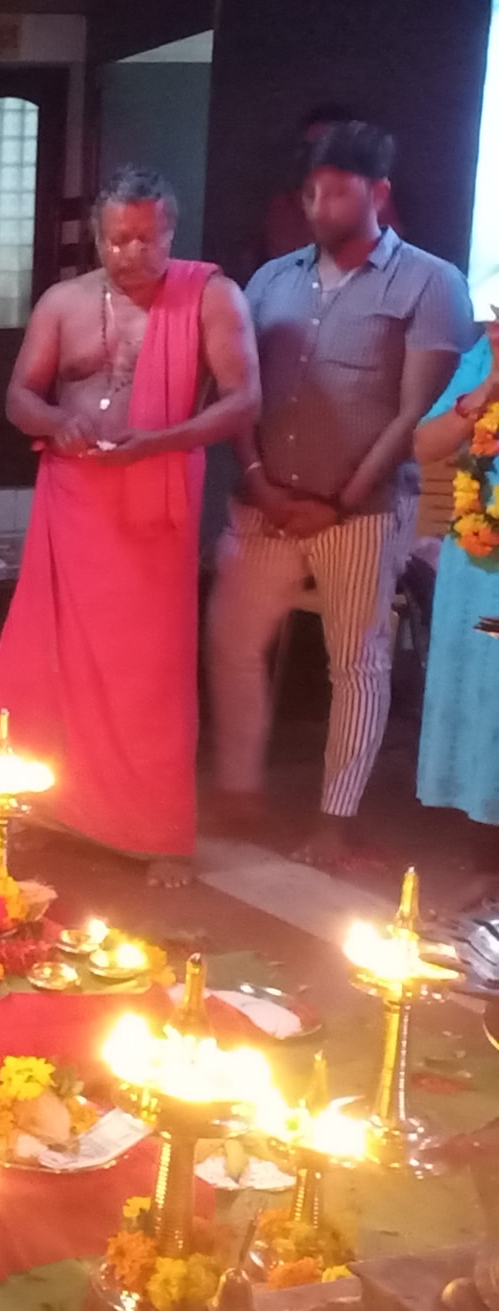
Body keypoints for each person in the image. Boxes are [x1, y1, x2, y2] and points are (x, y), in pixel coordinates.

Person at [208, 121, 475, 867]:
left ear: (378, 193)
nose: (318, 206)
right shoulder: (272, 280)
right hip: (264, 503)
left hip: (362, 510)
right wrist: (259, 481)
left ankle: (335, 821)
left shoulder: (430, 282)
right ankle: (238, 791)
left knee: (357, 662)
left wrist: (341, 498)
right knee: (231, 642)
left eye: (335, 191)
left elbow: (412, 413)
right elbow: (240, 394)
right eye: (309, 193)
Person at [0, 165, 260, 886]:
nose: (131, 253)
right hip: (74, 498)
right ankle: (50, 807)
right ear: (97, 235)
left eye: (146, 239)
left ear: (171, 231)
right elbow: (20, 396)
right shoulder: (64, 302)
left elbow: (243, 401)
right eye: (117, 240)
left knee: (149, 669)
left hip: (155, 496)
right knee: (48, 659)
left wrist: (163, 440)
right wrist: (57, 420)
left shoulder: (211, 297)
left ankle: (156, 831)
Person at [414, 314, 499, 905]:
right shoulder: (482, 358)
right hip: (483, 562)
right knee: (486, 707)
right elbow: (425, 445)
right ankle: (489, 864)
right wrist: (488, 387)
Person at [258, 105, 402, 272]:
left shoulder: (370, 200)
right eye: (310, 147)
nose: (318, 155)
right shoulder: (284, 208)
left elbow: (392, 259)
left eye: (327, 146)